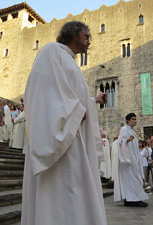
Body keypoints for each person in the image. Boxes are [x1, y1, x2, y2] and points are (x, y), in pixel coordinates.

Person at [21, 21, 107, 225]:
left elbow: (71, 94)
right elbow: (44, 90)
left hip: (73, 132)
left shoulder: (71, 61)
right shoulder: (51, 51)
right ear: (74, 33)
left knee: (75, 191)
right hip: (63, 133)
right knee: (64, 190)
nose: (89, 42)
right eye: (87, 36)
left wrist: (92, 101)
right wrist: (76, 111)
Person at [113, 113, 148, 207]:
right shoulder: (124, 129)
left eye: (135, 119)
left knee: (135, 179)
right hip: (129, 160)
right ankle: (134, 200)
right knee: (133, 179)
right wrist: (127, 140)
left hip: (134, 159)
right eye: (133, 119)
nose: (135, 121)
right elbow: (119, 142)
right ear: (128, 120)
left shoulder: (132, 131)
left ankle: (132, 199)